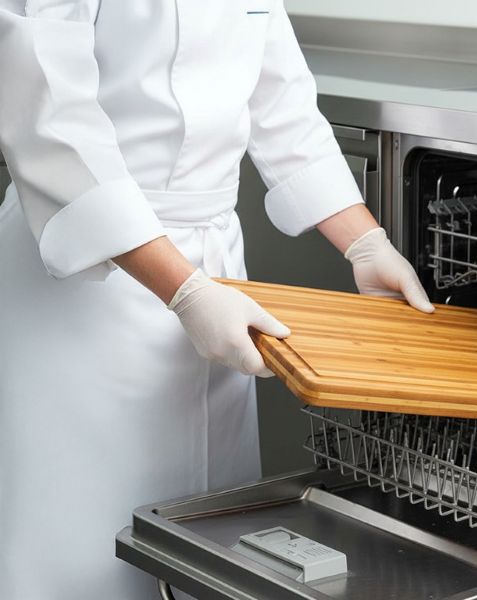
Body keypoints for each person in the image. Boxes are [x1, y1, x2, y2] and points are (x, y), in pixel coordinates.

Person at [0, 2, 434, 599]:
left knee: (210, 545)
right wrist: (184, 289)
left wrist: (363, 240)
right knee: (84, 551)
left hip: (219, 282)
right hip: (84, 284)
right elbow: (48, 117)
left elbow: (280, 102)